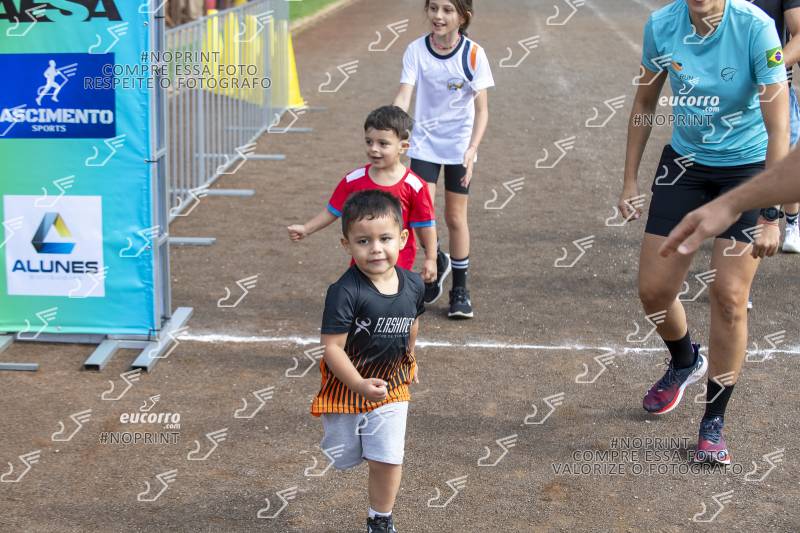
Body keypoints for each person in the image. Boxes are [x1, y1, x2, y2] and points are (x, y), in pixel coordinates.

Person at [619, 0, 789, 464]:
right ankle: (684, 360)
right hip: (685, 167)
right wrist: (630, 180)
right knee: (654, 291)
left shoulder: (755, 28)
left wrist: (771, 214)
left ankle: (713, 420)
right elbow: (644, 103)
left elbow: (778, 126)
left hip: (747, 169)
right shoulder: (663, 25)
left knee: (730, 297)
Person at [311, 190, 424, 533]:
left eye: (385, 238)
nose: (375, 248)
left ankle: (380, 519)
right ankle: (352, 442)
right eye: (364, 241)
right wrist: (358, 384)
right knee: (343, 454)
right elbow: (332, 348)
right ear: (347, 245)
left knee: (387, 457)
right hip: (347, 388)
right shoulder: (344, 292)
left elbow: (412, 322)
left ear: (402, 239)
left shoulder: (413, 284)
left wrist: (410, 358)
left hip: (392, 387)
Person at [393, 0, 494, 318]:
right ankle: (436, 257)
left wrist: (472, 149)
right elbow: (405, 94)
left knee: (454, 217)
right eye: (433, 7)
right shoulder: (416, 51)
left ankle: (460, 291)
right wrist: (393, 126)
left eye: (448, 10)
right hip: (423, 144)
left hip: (459, 148)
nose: (438, 16)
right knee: (419, 213)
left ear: (463, 17)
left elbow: (482, 110)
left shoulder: (473, 54)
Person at [287, 106, 437, 284]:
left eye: (383, 143)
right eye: (369, 142)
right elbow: (332, 210)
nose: (373, 149)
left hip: (398, 263)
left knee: (391, 296)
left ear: (403, 147)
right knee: (361, 295)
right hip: (363, 261)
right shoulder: (353, 180)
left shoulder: (415, 186)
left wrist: (431, 258)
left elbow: (426, 225)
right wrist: (306, 229)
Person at [659, 142, 800, 255]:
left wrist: (769, 218)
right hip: (686, 157)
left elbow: (782, 136)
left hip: (749, 161)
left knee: (729, 285)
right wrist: (730, 205)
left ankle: (792, 222)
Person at [752, 0, 800, 251]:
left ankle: (792, 222)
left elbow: (799, 33)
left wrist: (770, 67)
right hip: (733, 95)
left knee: (786, 157)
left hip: (776, 91)